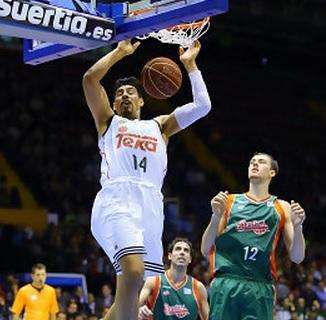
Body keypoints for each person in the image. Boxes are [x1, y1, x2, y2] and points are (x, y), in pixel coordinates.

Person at [82, 38, 211, 320]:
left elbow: (203, 106)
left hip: (151, 207)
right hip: (118, 201)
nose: (125, 95)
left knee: (136, 287)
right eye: (120, 93)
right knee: (133, 271)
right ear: (114, 102)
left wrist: (190, 66)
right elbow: (90, 79)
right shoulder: (108, 122)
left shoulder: (160, 126)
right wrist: (119, 52)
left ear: (142, 100)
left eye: (131, 92)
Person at [201, 152, 306, 320]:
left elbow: (297, 257)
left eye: (261, 162)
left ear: (272, 172)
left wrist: (298, 226)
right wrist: (215, 217)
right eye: (252, 162)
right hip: (227, 282)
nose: (254, 164)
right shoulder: (229, 201)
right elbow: (205, 249)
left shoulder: (282, 207)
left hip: (260, 286)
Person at [138, 238, 209, 320]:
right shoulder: (153, 282)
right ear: (170, 256)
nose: (182, 252)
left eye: (186, 250)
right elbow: (135, 308)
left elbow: (208, 317)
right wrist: (140, 310)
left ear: (190, 259)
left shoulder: (198, 287)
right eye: (178, 249)